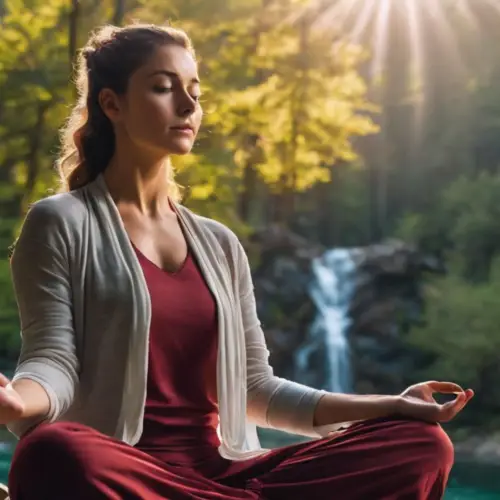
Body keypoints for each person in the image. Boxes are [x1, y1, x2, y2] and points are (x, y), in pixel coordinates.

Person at [2, 23, 473, 500]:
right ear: (112, 104)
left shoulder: (219, 243)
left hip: (224, 475)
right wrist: (17, 401)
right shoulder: (60, 221)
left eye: (194, 91)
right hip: (123, 472)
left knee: (420, 443)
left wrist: (393, 404)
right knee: (53, 452)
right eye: (163, 88)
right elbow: (53, 360)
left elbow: (255, 389)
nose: (188, 106)